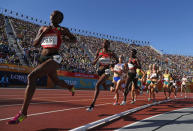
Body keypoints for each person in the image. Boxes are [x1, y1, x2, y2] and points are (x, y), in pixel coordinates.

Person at [8, 10, 77, 124]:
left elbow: (74, 40)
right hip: (42, 58)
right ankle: (69, 87)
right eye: (51, 14)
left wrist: (67, 35)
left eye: (54, 15)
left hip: (55, 57)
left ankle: (23, 113)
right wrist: (43, 33)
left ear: (59, 19)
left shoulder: (62, 30)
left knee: (32, 77)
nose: (51, 16)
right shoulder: (43, 27)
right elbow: (35, 43)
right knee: (55, 81)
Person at [86, 40, 118, 111]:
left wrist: (112, 64)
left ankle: (92, 105)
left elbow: (117, 60)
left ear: (108, 45)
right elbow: (93, 63)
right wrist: (98, 57)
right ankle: (111, 84)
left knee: (97, 85)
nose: (104, 43)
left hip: (107, 71)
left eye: (106, 43)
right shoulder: (99, 51)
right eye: (103, 42)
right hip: (99, 71)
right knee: (105, 87)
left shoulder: (111, 53)